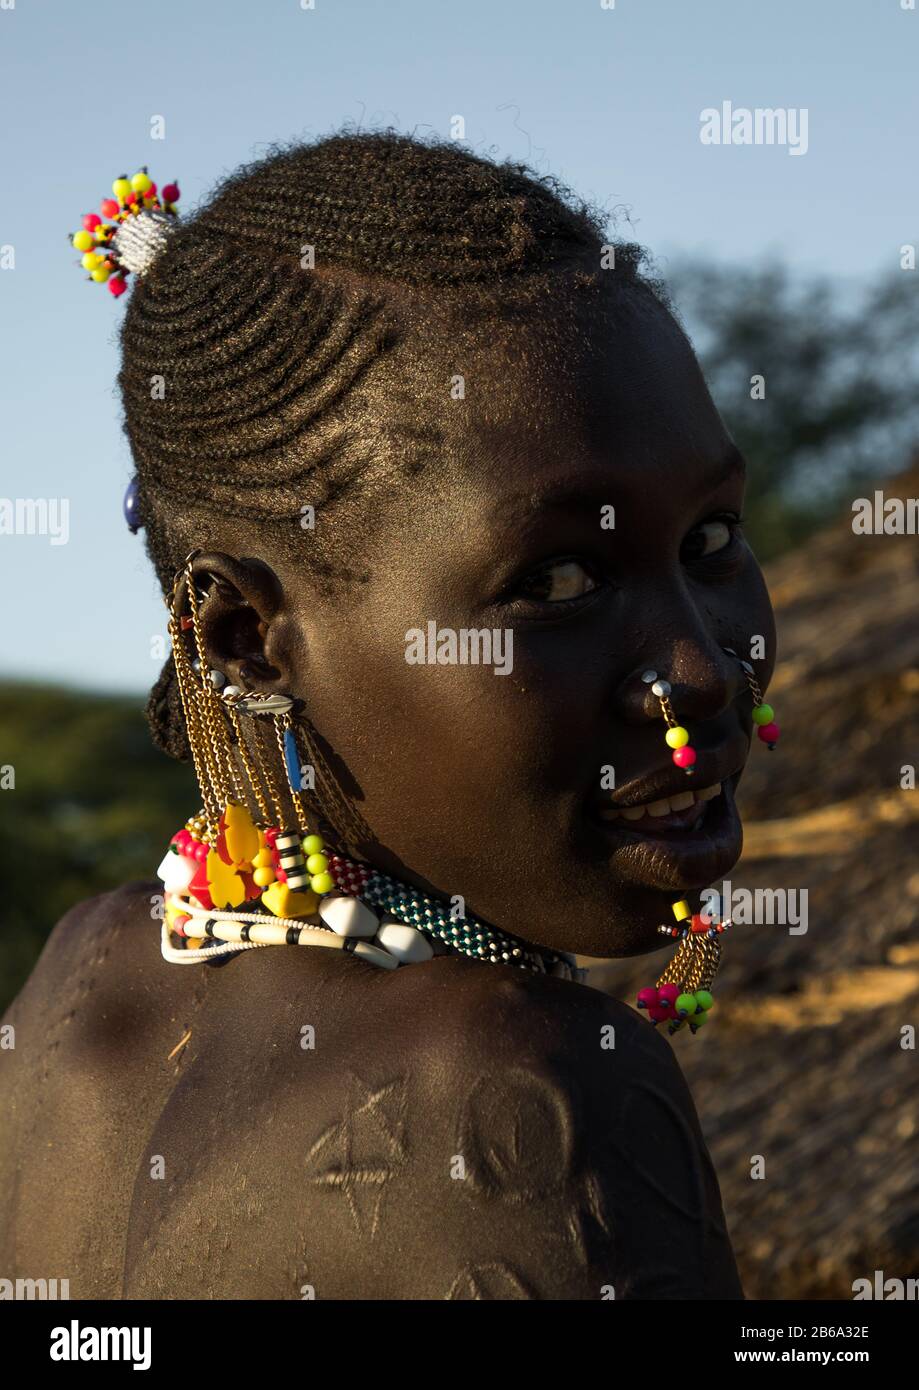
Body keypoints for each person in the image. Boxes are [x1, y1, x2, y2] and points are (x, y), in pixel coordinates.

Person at [0, 130, 774, 1299]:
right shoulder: (532, 1095)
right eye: (557, 582)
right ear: (245, 640)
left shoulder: (80, 985)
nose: (701, 670)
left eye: (710, 541)